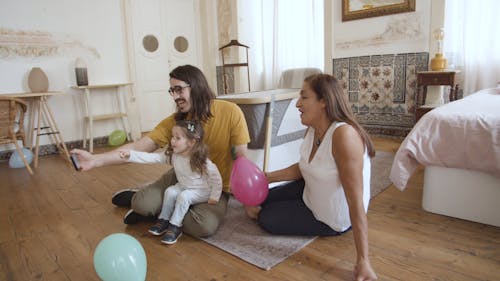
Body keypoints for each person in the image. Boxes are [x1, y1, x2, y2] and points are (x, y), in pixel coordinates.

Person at [71, 64, 250, 238]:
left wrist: (248, 198)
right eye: (172, 91)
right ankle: (143, 198)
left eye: (179, 90)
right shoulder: (175, 122)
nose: (175, 97)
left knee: (202, 225)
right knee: (142, 205)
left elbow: (240, 158)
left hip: (213, 185)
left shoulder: (231, 112)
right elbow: (138, 147)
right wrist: (95, 160)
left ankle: (166, 210)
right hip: (184, 175)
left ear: (197, 87)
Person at [246, 74, 378, 280]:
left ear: (324, 101)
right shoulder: (313, 128)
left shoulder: (344, 136)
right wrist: (267, 177)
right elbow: (305, 166)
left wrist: (364, 260)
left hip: (330, 217)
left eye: (304, 97)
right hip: (311, 189)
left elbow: (356, 200)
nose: (297, 104)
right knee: (261, 198)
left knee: (266, 218)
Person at [119, 120, 222, 244]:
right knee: (170, 191)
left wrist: (214, 196)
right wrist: (131, 155)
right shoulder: (174, 156)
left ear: (191, 142)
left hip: (202, 190)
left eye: (177, 138)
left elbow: (216, 178)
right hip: (184, 186)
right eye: (173, 137)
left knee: (184, 197)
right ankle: (164, 219)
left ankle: (175, 226)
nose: (172, 140)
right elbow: (153, 157)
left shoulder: (201, 159)